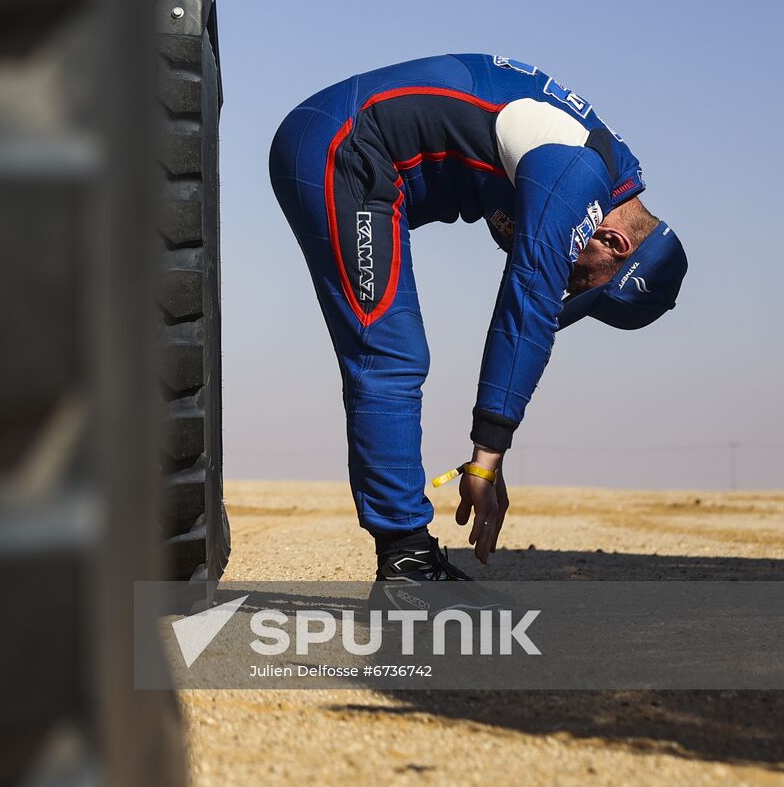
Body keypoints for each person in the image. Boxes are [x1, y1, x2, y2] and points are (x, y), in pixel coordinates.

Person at [269, 54, 687, 605]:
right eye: (583, 283)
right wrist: (488, 457)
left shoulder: (596, 171)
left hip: (361, 157)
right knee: (390, 354)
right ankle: (407, 567)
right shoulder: (577, 173)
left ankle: (407, 560)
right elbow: (529, 302)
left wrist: (487, 455)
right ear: (614, 244)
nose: (569, 287)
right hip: (344, 146)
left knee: (393, 348)